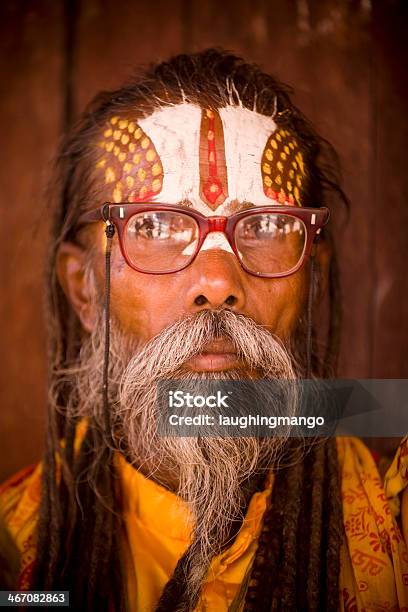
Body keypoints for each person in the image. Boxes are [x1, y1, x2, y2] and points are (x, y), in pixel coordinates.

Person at [0, 49, 407, 611]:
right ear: (84, 289)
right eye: (155, 224)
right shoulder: (10, 549)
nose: (217, 282)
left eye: (267, 225)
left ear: (312, 279)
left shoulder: (397, 523)